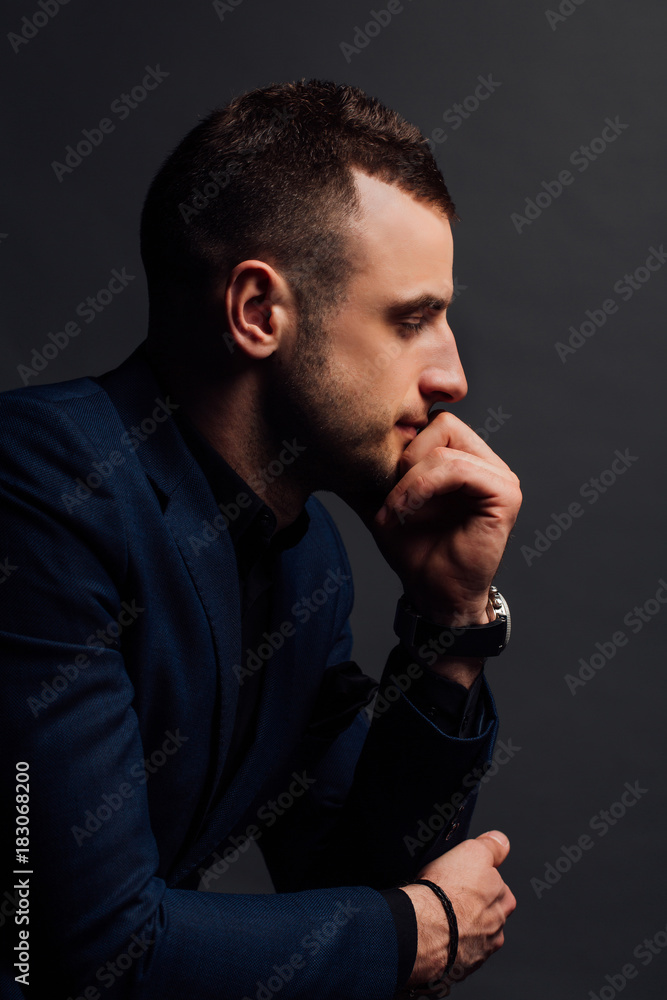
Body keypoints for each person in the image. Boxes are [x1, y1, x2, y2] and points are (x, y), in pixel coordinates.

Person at [0, 78, 520, 999]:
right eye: (411, 319)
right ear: (257, 312)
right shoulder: (40, 487)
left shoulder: (303, 557)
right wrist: (416, 932)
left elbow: (357, 879)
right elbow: (71, 951)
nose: (452, 375)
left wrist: (449, 628)